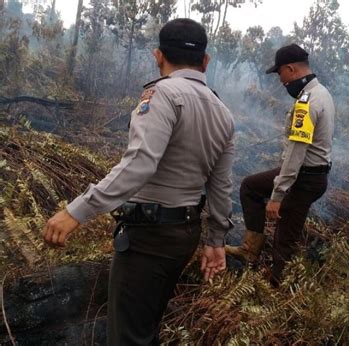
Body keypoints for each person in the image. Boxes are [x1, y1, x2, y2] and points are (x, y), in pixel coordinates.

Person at [42, 18, 234, 345]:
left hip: (150, 239)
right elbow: (220, 185)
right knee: (145, 328)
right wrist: (215, 240)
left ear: (157, 56)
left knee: (128, 337)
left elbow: (139, 165)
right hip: (184, 235)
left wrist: (76, 211)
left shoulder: (162, 94)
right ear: (205, 61)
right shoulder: (223, 112)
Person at [226, 44, 335, 286]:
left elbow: (297, 152)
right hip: (309, 174)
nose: (281, 80)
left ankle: (277, 285)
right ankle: (250, 249)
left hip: (304, 177)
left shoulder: (307, 102)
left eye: (280, 74)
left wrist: (278, 194)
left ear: (291, 69)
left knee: (285, 236)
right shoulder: (321, 93)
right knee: (251, 187)